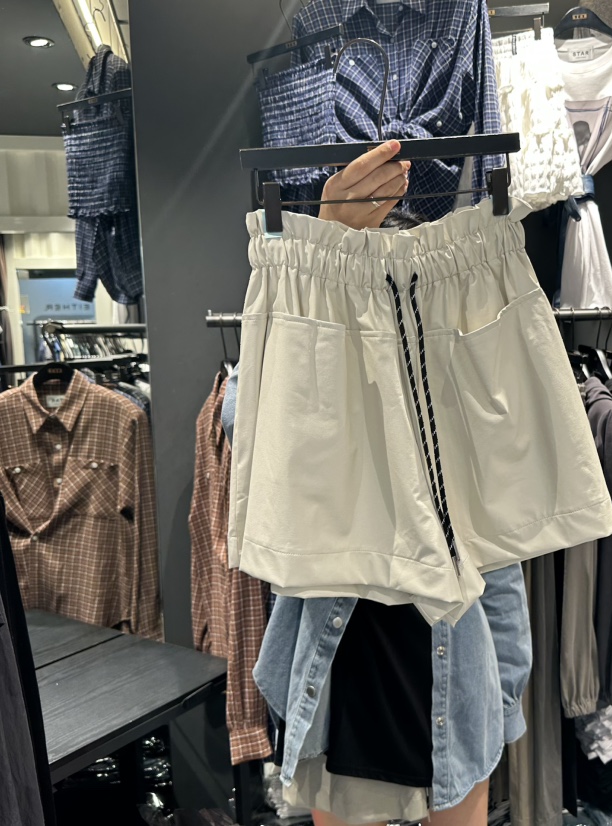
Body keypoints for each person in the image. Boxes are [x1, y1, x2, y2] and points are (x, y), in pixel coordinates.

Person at [226, 141, 533, 826]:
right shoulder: (307, 372)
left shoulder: (452, 385)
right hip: (341, 676)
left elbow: (500, 565)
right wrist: (325, 253)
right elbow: (246, 425)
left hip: (452, 680)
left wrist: (504, 697)